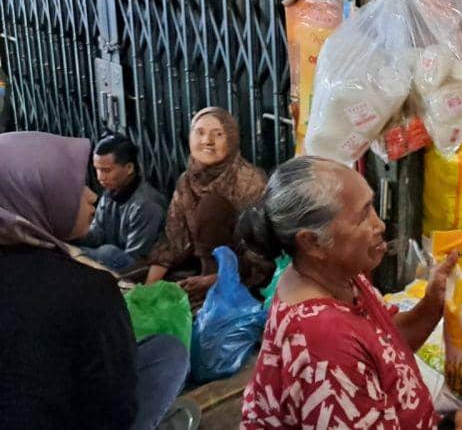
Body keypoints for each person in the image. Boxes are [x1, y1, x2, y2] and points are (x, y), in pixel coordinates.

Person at [240, 156, 462, 430]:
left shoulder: (340, 276)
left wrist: (432, 303)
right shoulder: (323, 341)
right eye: (363, 216)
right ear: (313, 243)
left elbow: (387, 343)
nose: (379, 225)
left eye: (373, 207)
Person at [0, 132, 189, 430]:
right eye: (74, 187)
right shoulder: (89, 290)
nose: (91, 194)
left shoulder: (144, 205)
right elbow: (115, 408)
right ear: (37, 195)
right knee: (169, 352)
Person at [145, 107, 271, 304]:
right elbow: (173, 241)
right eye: (200, 132)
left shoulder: (251, 182)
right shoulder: (187, 180)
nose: (207, 141)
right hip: (198, 271)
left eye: (218, 134)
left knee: (212, 205)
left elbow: (261, 253)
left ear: (231, 139)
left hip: (242, 277)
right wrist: (149, 289)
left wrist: (215, 279)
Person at [77, 133, 168, 271]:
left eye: (106, 170)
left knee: (107, 252)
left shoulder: (146, 205)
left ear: (129, 168)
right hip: (118, 260)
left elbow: (137, 259)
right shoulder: (110, 193)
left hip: (139, 268)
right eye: (97, 169)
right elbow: (96, 236)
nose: (100, 177)